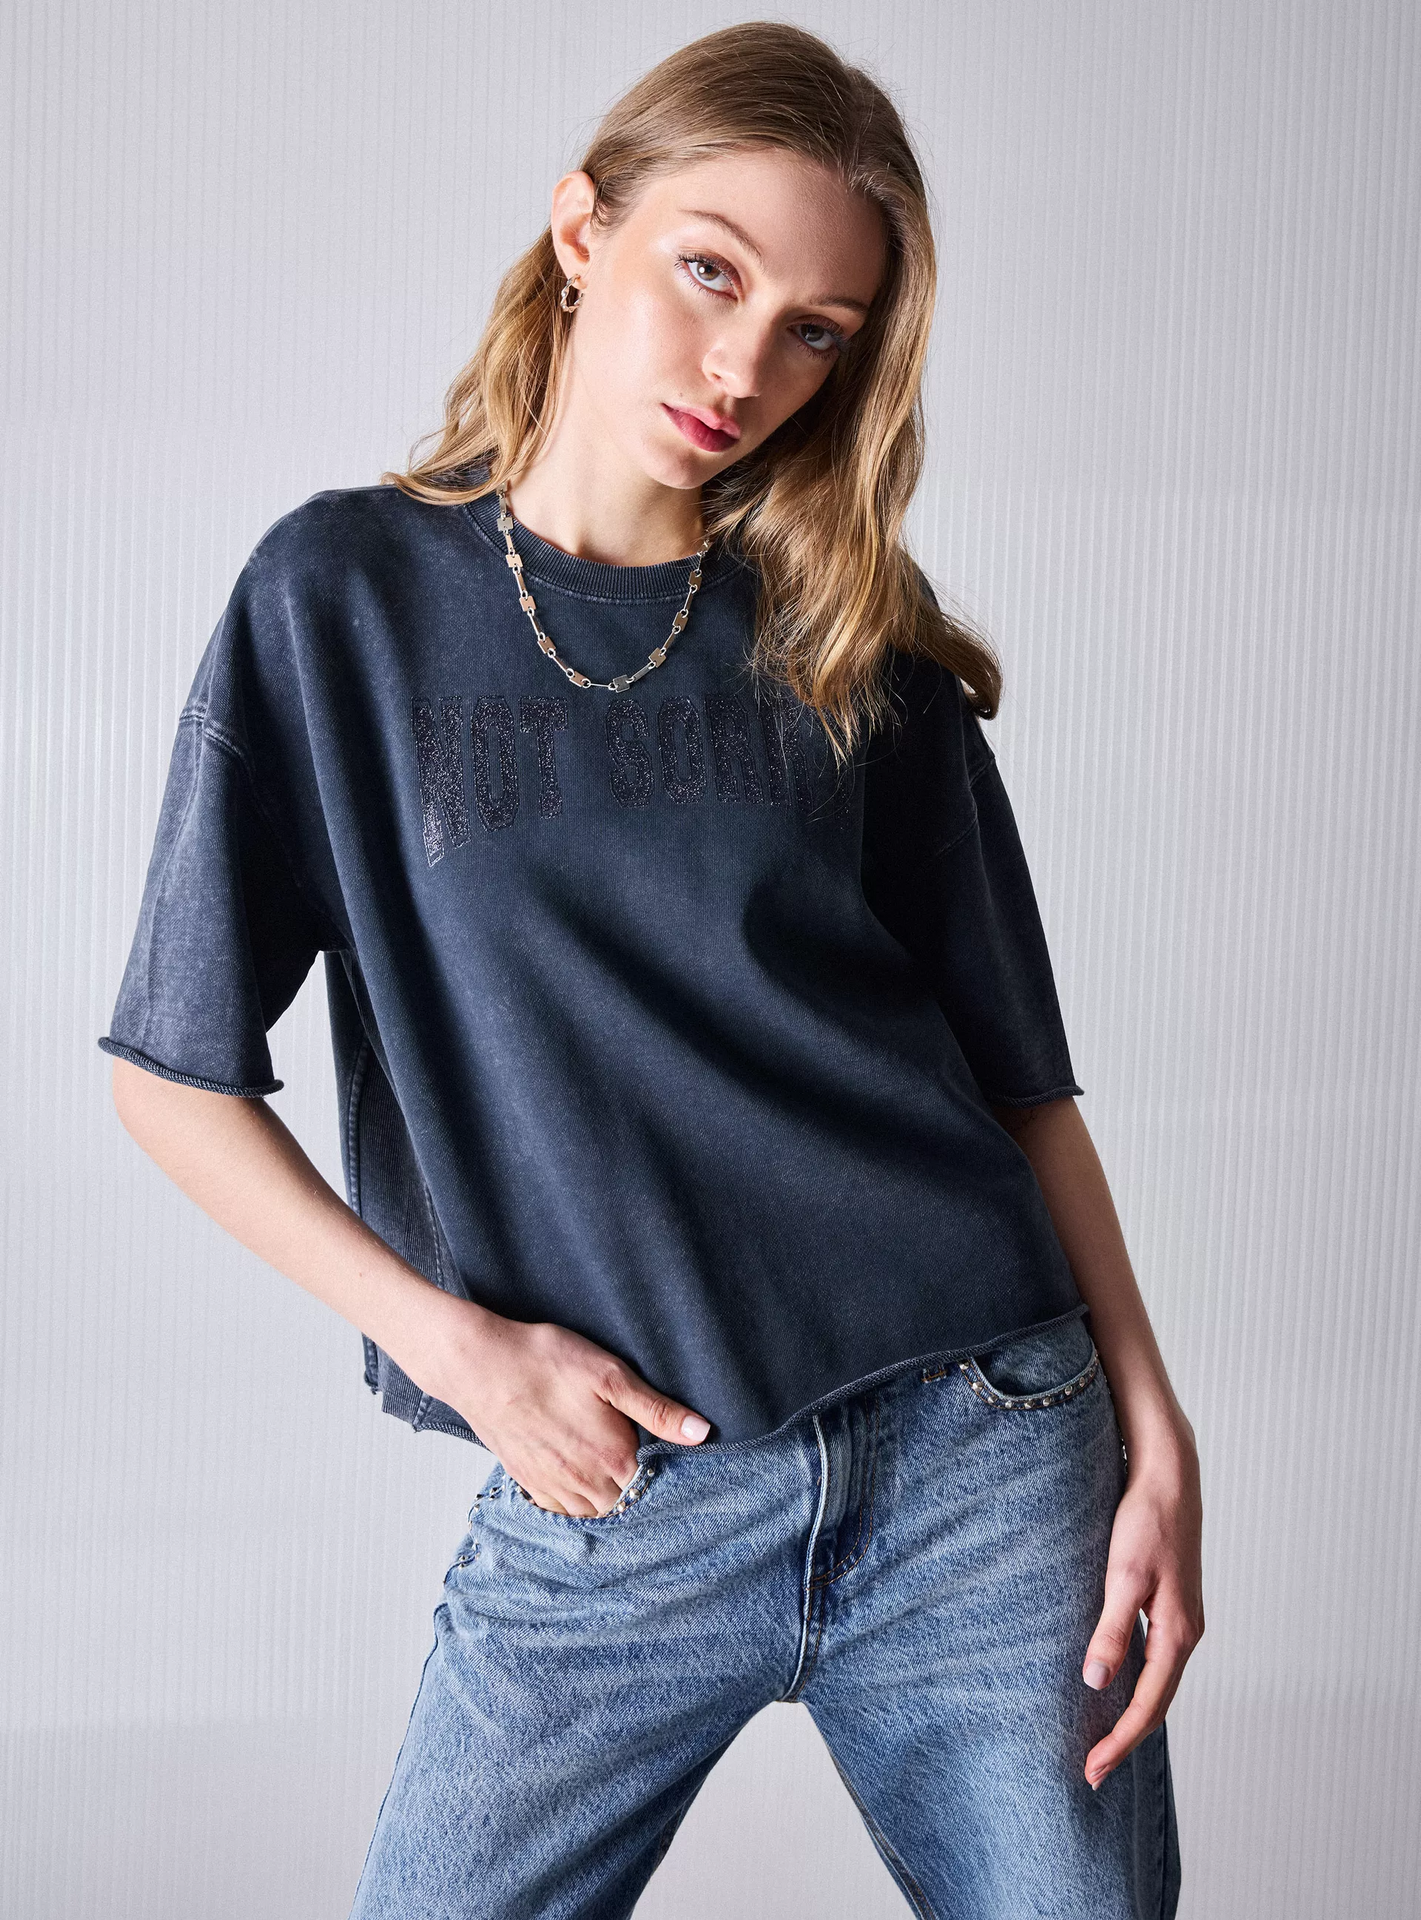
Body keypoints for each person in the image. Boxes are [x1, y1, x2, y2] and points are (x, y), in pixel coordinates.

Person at [100, 22, 1201, 1918]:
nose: (745, 366)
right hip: (615, 1492)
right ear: (581, 229)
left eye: (815, 332)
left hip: (984, 1459)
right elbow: (171, 1072)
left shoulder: (853, 644)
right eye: (712, 270)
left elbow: (1024, 1090)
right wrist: (459, 1350)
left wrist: (1155, 1431)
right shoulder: (339, 605)